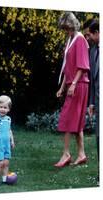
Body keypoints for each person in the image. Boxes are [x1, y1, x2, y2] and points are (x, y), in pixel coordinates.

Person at [54, 12, 90, 167]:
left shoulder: (80, 39)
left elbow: (82, 66)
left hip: (79, 84)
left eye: (67, 28)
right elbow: (67, 67)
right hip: (71, 84)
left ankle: (66, 154)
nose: (66, 32)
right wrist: (63, 86)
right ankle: (81, 154)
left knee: (67, 119)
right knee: (76, 121)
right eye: (64, 29)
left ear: (73, 25)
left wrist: (73, 84)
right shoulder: (70, 39)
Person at [87, 21, 99, 161]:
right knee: (99, 138)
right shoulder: (93, 50)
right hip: (97, 100)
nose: (87, 38)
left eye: (89, 34)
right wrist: (91, 103)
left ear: (97, 32)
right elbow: (92, 79)